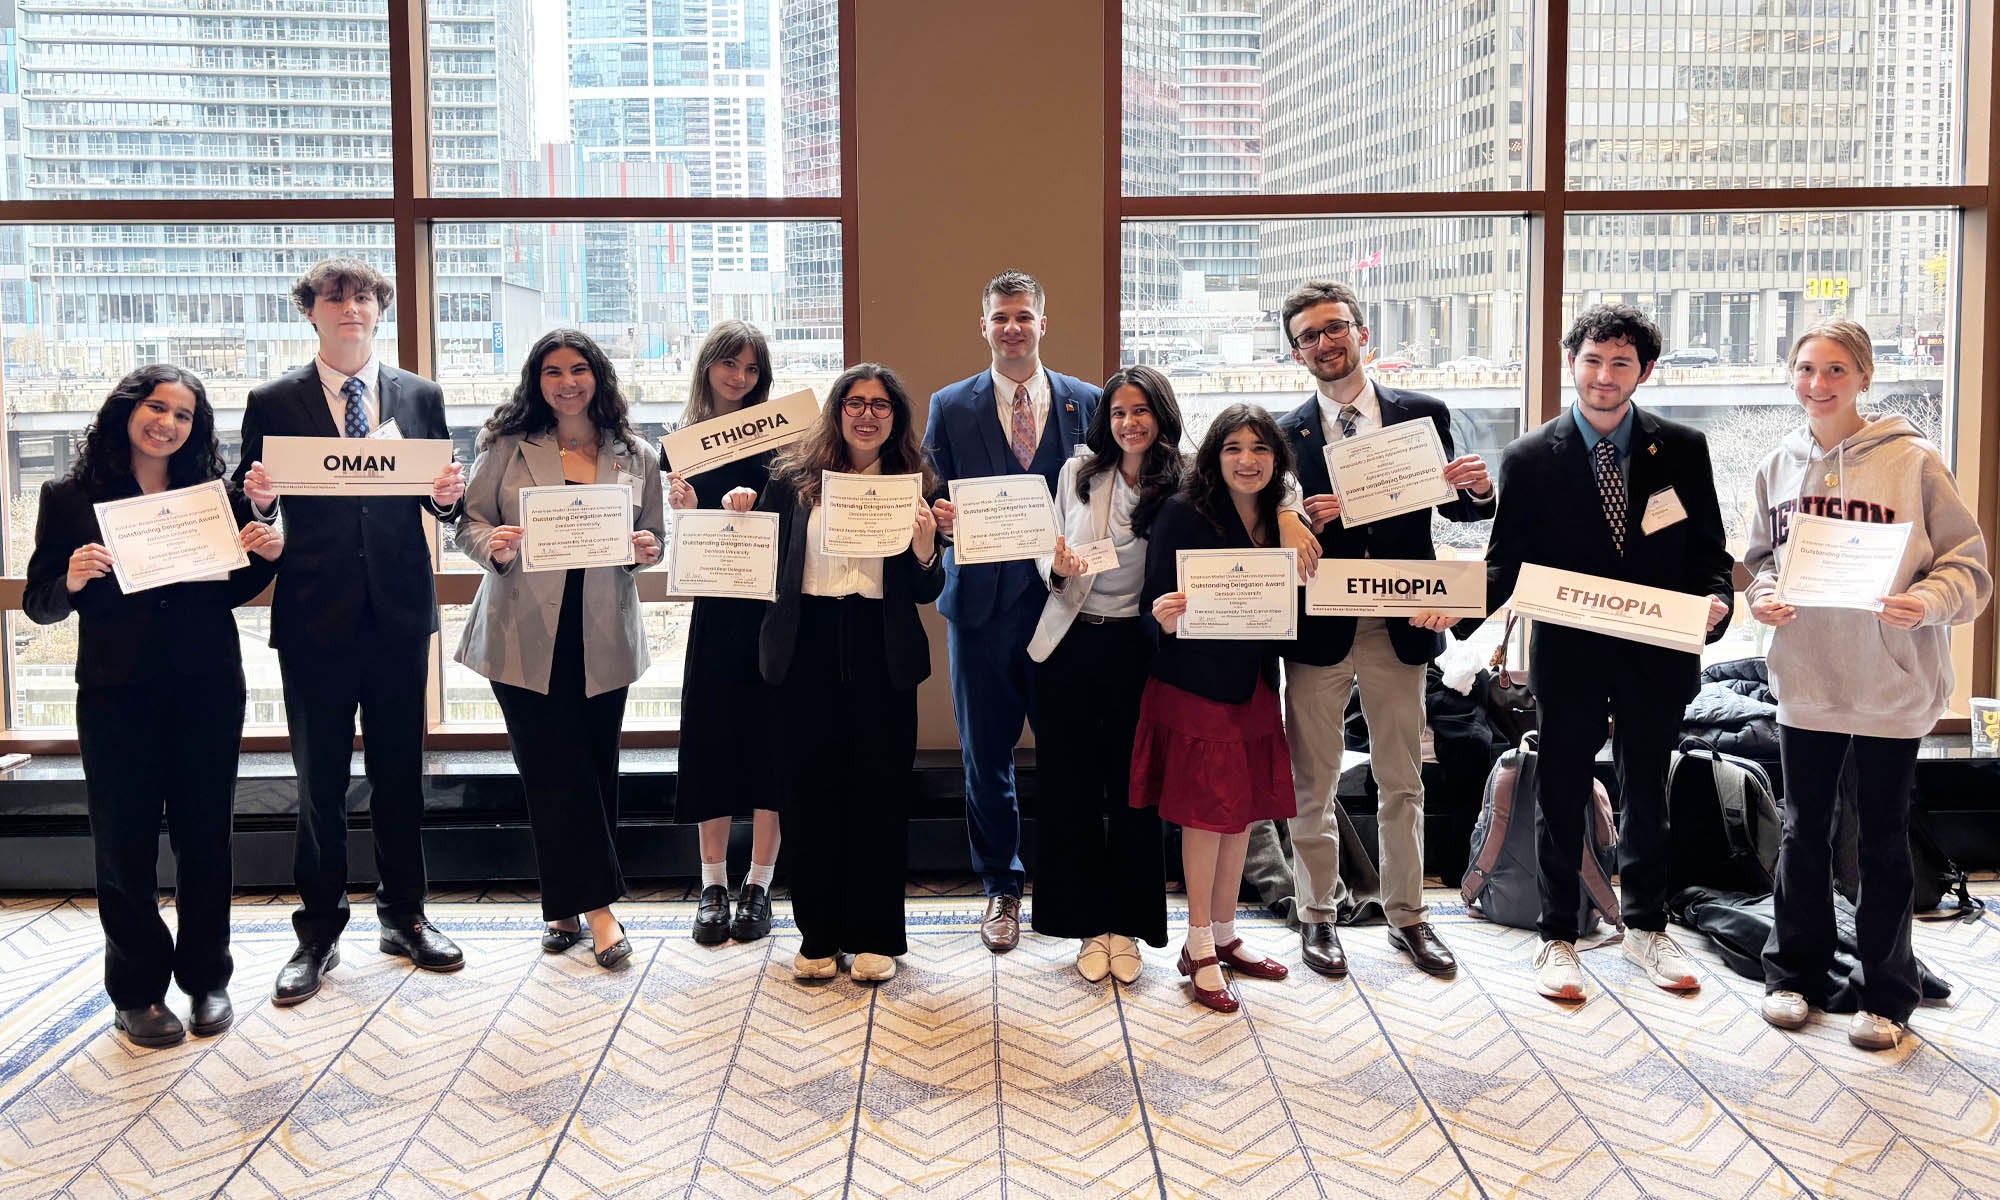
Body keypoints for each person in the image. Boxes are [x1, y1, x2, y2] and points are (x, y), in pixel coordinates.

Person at [1472, 304, 1733, 1003]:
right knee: (1560, 793)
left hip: (1657, 653)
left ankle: (1647, 926)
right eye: (1592, 360)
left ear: (1644, 371)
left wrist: (1718, 607)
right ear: (1573, 363)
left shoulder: (1681, 448)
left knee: (1648, 792)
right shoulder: (1530, 457)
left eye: (1621, 363)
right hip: (1570, 657)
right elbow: (1505, 565)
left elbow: (1710, 555)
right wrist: (1456, 603)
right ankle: (1558, 935)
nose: (1604, 375)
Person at [1747, 319, 1990, 1050]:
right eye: (1805, 369)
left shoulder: (1914, 462)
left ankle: (1887, 996)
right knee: (1802, 830)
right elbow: (1760, 559)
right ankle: (1795, 976)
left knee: (1881, 839)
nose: (1817, 385)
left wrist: (1929, 602)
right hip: (1808, 676)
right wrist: (1762, 597)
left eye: (1834, 371)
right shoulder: (1776, 465)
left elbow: (1968, 567)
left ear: (1864, 378)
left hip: (1890, 679)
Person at [24, 366, 284, 1047]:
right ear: (127, 410)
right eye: (157, 407)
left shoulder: (215, 498)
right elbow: (38, 600)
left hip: (206, 688)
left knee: (207, 839)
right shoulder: (69, 496)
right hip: (116, 694)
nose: (167, 422)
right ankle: (137, 992)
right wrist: (73, 580)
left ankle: (207, 979)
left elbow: (228, 589)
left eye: (184, 414)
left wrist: (265, 553)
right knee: (124, 845)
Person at [236, 257, 469, 1005]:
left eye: (363, 296)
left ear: (379, 310)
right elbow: (253, 516)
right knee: (320, 785)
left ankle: (404, 915)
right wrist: (263, 507)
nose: (350, 308)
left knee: (401, 776)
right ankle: (318, 932)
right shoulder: (273, 400)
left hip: (399, 615)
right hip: (313, 618)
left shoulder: (420, 395)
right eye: (334, 297)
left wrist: (446, 499)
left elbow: (440, 508)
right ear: (311, 312)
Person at [1274, 281, 1494, 981]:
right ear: (1296, 352)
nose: (1323, 344)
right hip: (1319, 626)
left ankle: (1408, 918)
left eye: (1334, 328)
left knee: (1402, 779)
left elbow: (1458, 514)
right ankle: (1317, 916)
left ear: (1362, 333)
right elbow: (1266, 533)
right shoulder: (1285, 434)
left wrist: (1477, 488)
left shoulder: (1420, 414)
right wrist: (1307, 521)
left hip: (1402, 620)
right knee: (1313, 779)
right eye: (1308, 336)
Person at [454, 330, 666, 970]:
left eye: (578, 369)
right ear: (536, 380)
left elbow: (653, 534)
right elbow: (468, 521)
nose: (567, 382)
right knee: (555, 769)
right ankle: (601, 912)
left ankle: (561, 905)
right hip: (521, 631)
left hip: (603, 632)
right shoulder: (507, 447)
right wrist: (494, 544)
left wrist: (647, 550)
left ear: (597, 377)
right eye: (552, 371)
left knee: (595, 768)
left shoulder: (636, 455)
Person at [727, 364, 943, 983]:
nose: (868, 414)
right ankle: (818, 932)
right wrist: (735, 511)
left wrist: (926, 548)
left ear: (895, 416)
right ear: (838, 411)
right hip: (807, 646)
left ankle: (876, 934)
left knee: (879, 794)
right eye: (855, 403)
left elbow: (931, 587)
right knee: (808, 793)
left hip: (883, 648)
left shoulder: (918, 481)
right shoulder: (795, 480)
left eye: (880, 404)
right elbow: (760, 561)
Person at [924, 270, 1099, 951]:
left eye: (1024, 316)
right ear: (985, 326)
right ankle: (1001, 886)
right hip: (980, 610)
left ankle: (1067, 885)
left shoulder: (1088, 403)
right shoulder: (951, 405)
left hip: (1066, 608)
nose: (1013, 328)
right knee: (985, 756)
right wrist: (940, 520)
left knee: (1068, 754)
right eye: (1000, 318)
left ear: (1043, 324)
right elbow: (936, 495)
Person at [1134, 403, 1299, 1014]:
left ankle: (1226, 934)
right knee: (1206, 818)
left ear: (1277, 458)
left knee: (1243, 813)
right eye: (1233, 448)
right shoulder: (1183, 511)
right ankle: (1197, 945)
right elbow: (1155, 596)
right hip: (1195, 685)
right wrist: (1166, 617)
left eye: (1259, 449)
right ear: (1213, 456)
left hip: (1255, 682)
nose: (1247, 460)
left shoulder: (1283, 518)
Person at [1026, 365, 1182, 983]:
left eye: (1140, 411)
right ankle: (1087, 924)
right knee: (1071, 790)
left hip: (1141, 651)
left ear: (1160, 416)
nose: (1128, 423)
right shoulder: (1076, 472)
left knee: (1135, 792)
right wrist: (1058, 567)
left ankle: (1130, 927)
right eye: (1118, 413)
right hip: (1070, 644)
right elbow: (1048, 547)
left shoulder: (1185, 481)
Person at [666, 320, 785, 947]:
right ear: (707, 366)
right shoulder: (682, 444)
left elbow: (794, 524)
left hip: (770, 613)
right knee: (710, 741)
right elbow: (672, 546)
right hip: (714, 612)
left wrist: (755, 509)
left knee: (771, 746)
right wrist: (687, 516)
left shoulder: (784, 441)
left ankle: (759, 884)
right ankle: (713, 883)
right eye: (729, 365)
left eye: (751, 369)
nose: (740, 378)